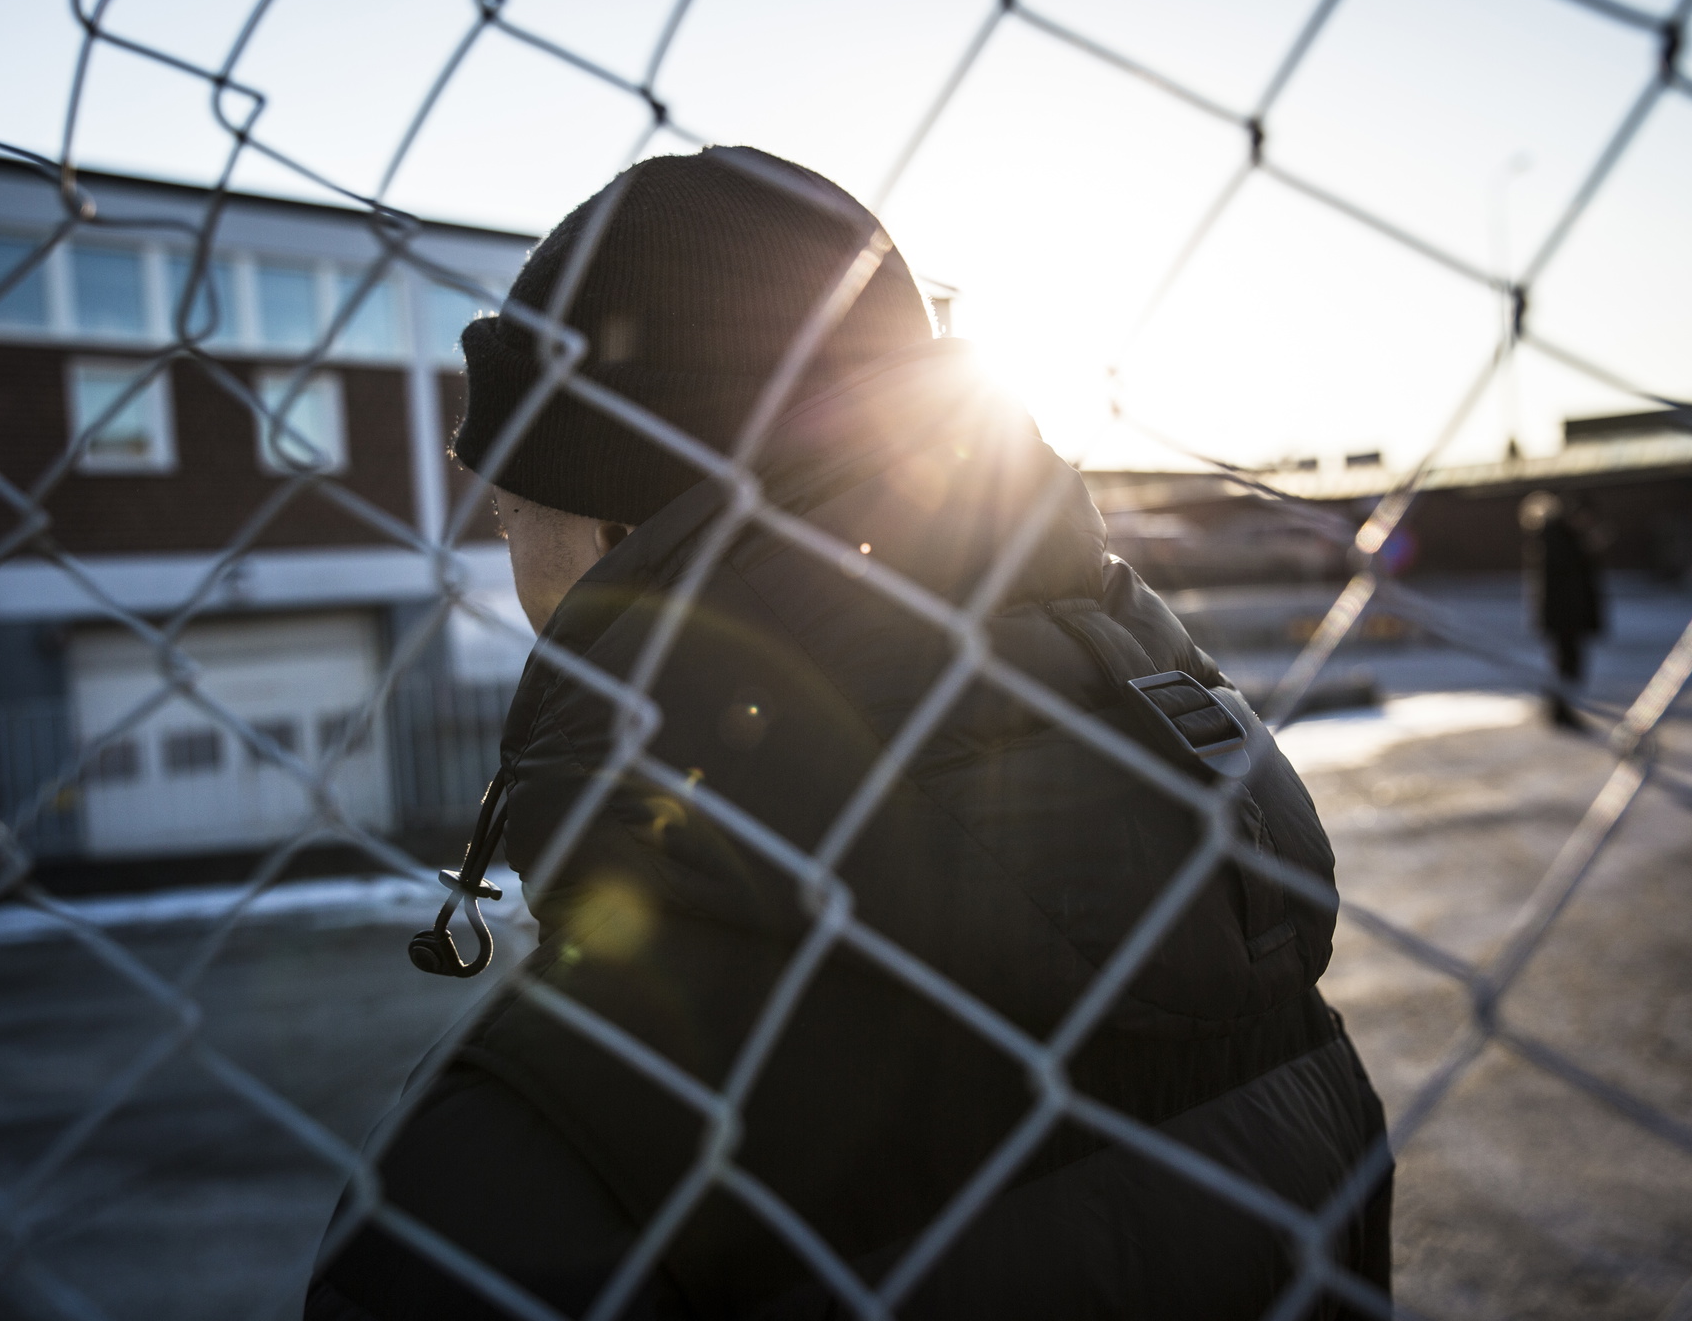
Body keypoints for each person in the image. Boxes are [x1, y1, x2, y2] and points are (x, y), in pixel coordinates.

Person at [306, 148, 1391, 1321]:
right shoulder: (1252, 941)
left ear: (622, 533)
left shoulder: (545, 1142)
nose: (508, 570)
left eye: (515, 516)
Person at [1520, 491, 1604, 730]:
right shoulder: (1559, 541)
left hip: (1569, 617)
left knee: (1569, 664)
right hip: (1564, 617)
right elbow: (1564, 584)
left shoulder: (1566, 540)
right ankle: (1560, 711)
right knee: (1566, 664)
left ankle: (1562, 709)